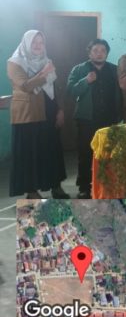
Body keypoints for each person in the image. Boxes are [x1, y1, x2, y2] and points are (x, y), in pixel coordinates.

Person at [7, 30, 69, 199]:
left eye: (41, 42)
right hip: (28, 114)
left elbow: (56, 87)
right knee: (30, 153)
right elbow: (25, 86)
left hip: (49, 111)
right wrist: (44, 73)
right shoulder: (15, 63)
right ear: (26, 43)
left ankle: (56, 186)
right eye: (34, 42)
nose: (37, 46)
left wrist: (60, 109)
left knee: (51, 150)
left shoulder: (47, 61)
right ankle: (32, 191)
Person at [67, 38, 121, 199]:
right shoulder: (79, 69)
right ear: (89, 53)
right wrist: (85, 81)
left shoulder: (114, 70)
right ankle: (85, 187)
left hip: (110, 119)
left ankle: (107, 186)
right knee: (86, 153)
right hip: (87, 119)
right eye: (95, 50)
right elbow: (71, 91)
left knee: (109, 154)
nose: (99, 54)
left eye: (103, 51)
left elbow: (120, 93)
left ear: (107, 53)